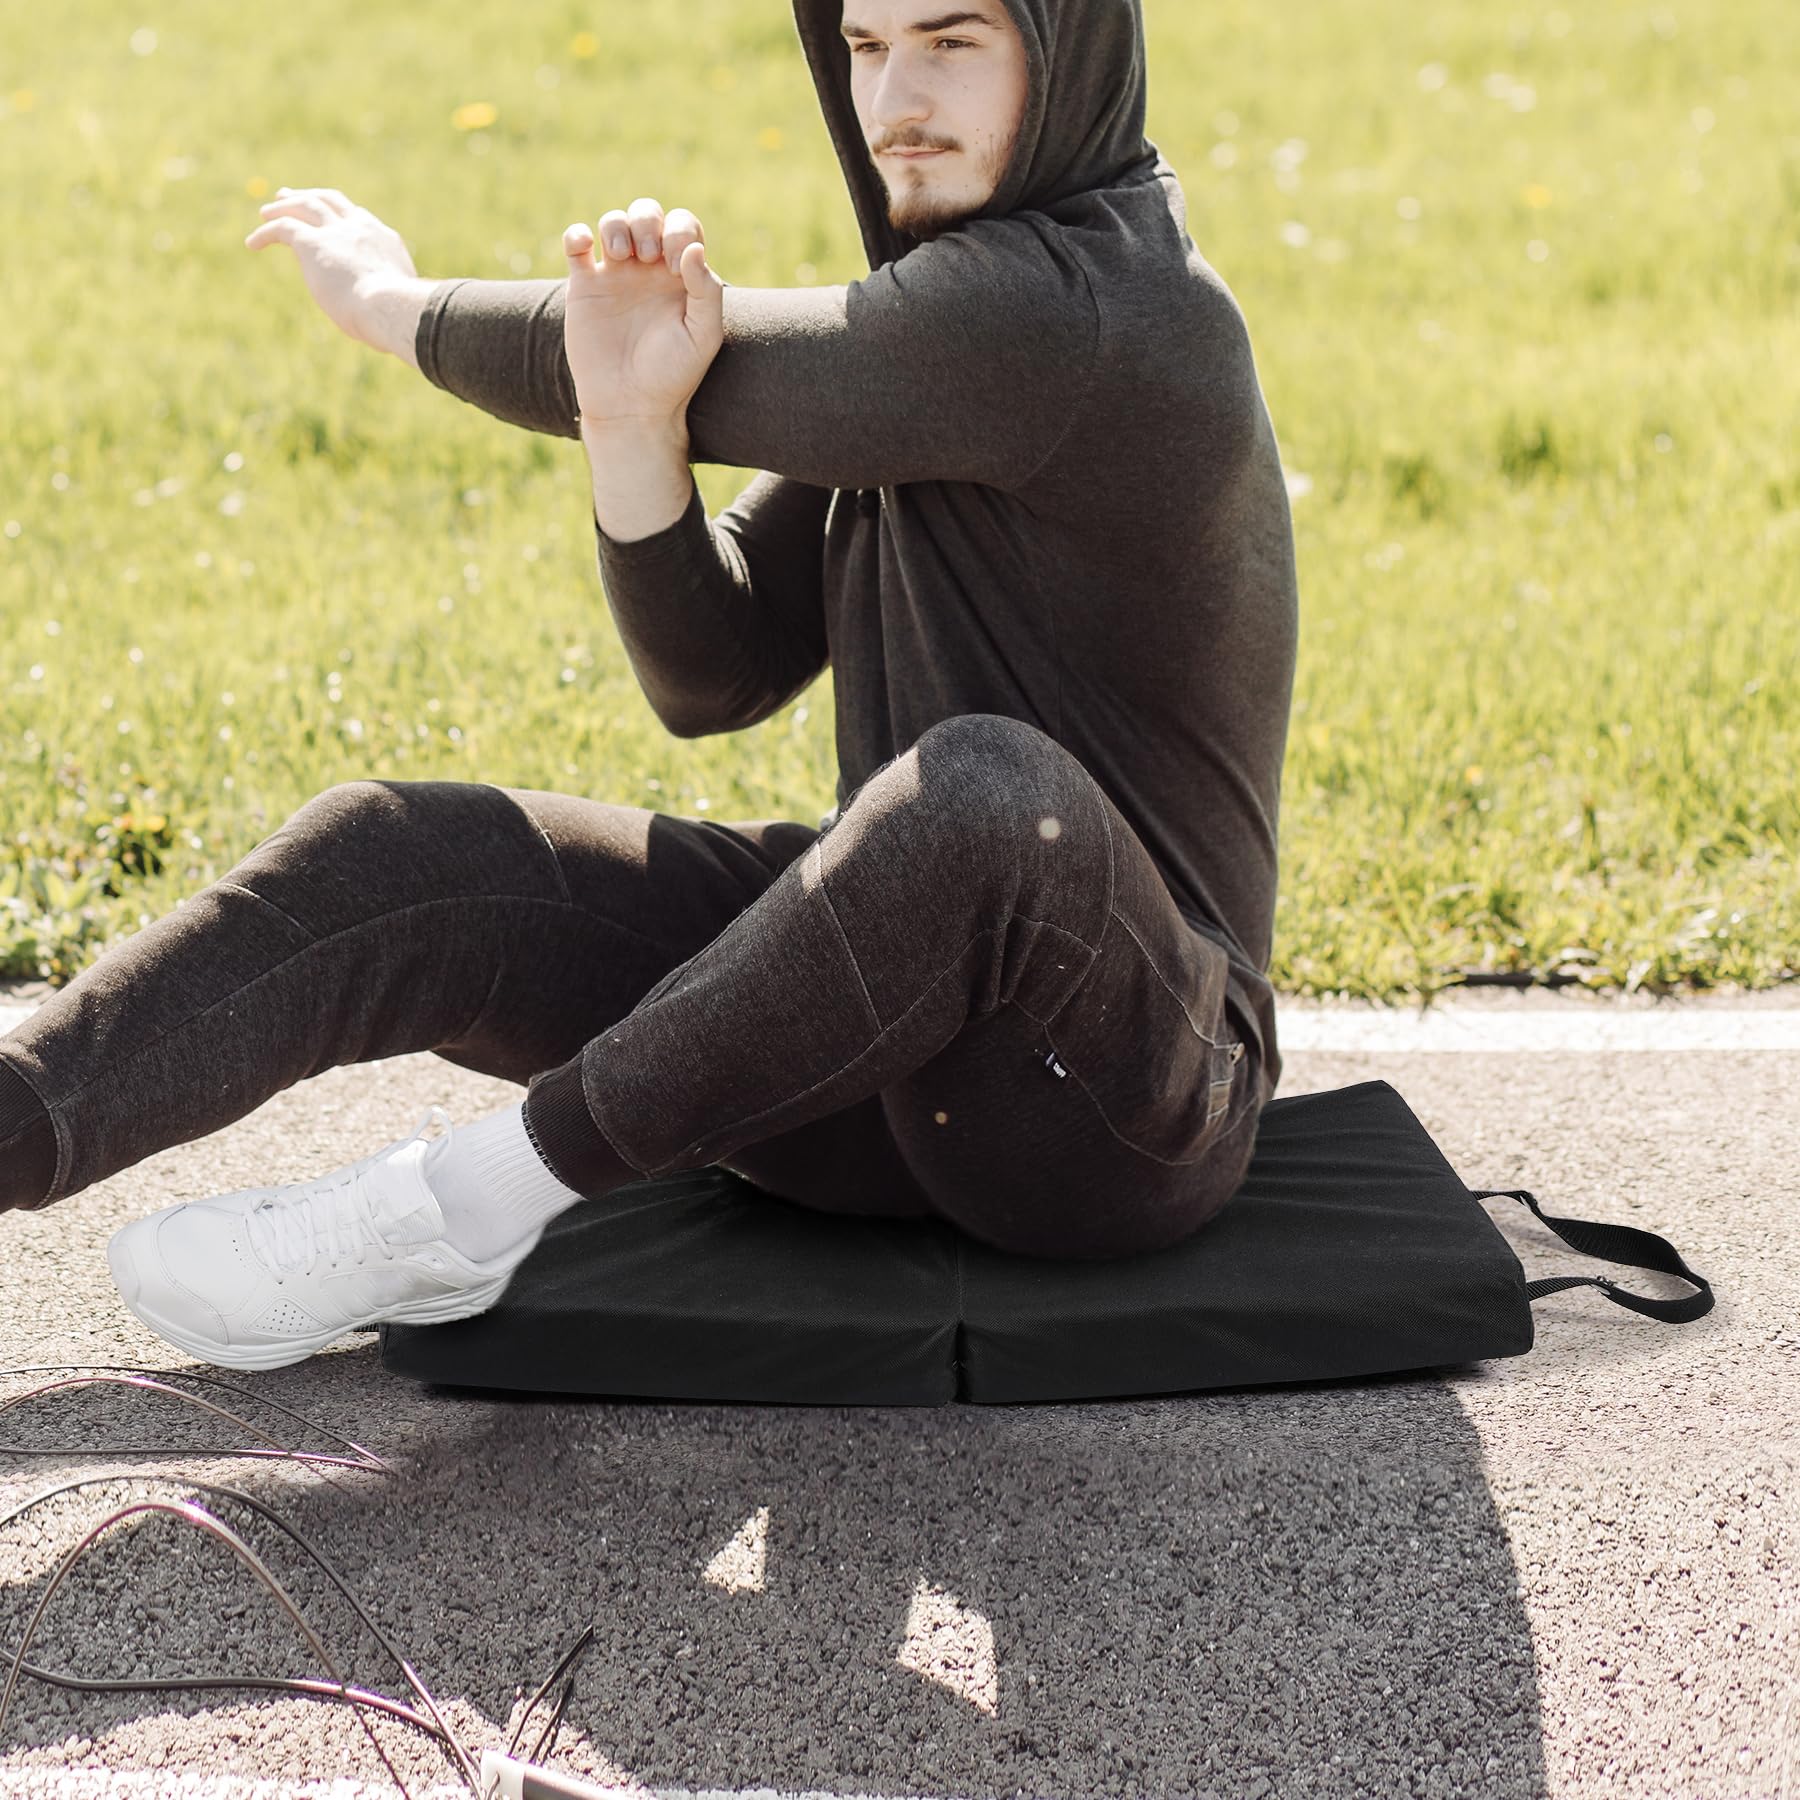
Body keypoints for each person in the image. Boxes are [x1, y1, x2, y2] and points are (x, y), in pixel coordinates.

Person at [0, 0, 1299, 1371]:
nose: (896, 101)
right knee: (402, 852)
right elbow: (717, 674)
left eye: (954, 41)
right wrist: (628, 426)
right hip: (879, 1069)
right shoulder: (947, 336)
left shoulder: (1095, 310)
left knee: (983, 797)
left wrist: (393, 306)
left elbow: (702, 369)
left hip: (1120, 1106)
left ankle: (457, 1210)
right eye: (865, 46)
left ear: (1071, 49)